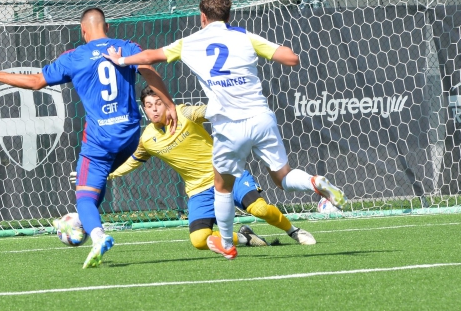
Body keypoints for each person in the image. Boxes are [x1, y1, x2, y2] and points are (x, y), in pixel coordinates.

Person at [103, 0, 346, 260]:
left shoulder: (190, 42)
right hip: (261, 117)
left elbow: (149, 57)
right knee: (284, 177)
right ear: (228, 15)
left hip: (230, 125)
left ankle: (228, 244)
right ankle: (314, 181)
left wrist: (121, 59)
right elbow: (291, 58)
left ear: (202, 17)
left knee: (222, 186)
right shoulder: (243, 35)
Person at [0, 7, 177, 268]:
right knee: (92, 186)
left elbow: (35, 82)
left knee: (85, 194)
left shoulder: (74, 57)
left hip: (100, 139)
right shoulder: (126, 46)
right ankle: (80, 221)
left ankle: (97, 235)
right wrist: (169, 104)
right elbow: (148, 69)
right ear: (107, 27)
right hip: (130, 135)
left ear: (83, 31)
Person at [81, 86, 317, 251]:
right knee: (199, 240)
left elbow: (207, 112)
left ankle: (294, 231)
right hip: (197, 190)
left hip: (226, 173)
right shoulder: (147, 138)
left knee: (260, 210)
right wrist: (105, 174)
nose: (153, 109)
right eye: (148, 105)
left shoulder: (183, 113)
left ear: (167, 104)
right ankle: (245, 238)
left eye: (158, 104)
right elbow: (133, 160)